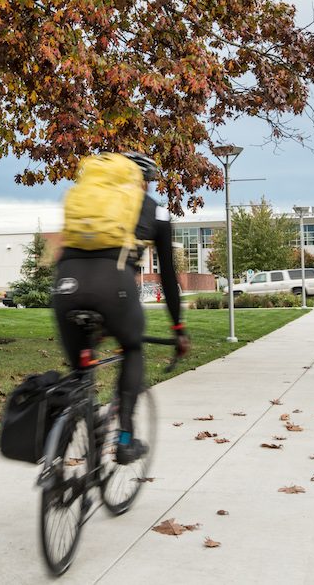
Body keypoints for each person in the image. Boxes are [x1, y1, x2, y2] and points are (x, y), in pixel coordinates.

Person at [52, 152, 191, 464]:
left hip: (66, 285)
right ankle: (125, 438)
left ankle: (74, 431)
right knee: (132, 349)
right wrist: (178, 327)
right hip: (112, 285)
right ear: (142, 180)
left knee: (79, 371)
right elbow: (167, 275)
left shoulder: (82, 199)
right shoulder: (155, 210)